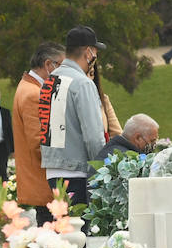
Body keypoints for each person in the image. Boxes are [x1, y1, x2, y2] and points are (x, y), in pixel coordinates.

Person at [39, 26, 108, 206]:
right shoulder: (82, 83)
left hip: (53, 169)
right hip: (77, 171)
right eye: (95, 51)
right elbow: (93, 136)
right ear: (88, 51)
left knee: (64, 228)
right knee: (80, 230)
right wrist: (102, 169)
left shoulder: (49, 81)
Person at [13, 42, 64, 223]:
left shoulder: (28, 88)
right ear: (49, 65)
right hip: (44, 184)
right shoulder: (34, 93)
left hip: (41, 181)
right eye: (62, 66)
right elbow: (39, 143)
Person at [88, 60, 122, 139]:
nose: (88, 80)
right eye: (83, 75)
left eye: (91, 74)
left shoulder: (103, 100)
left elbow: (118, 136)